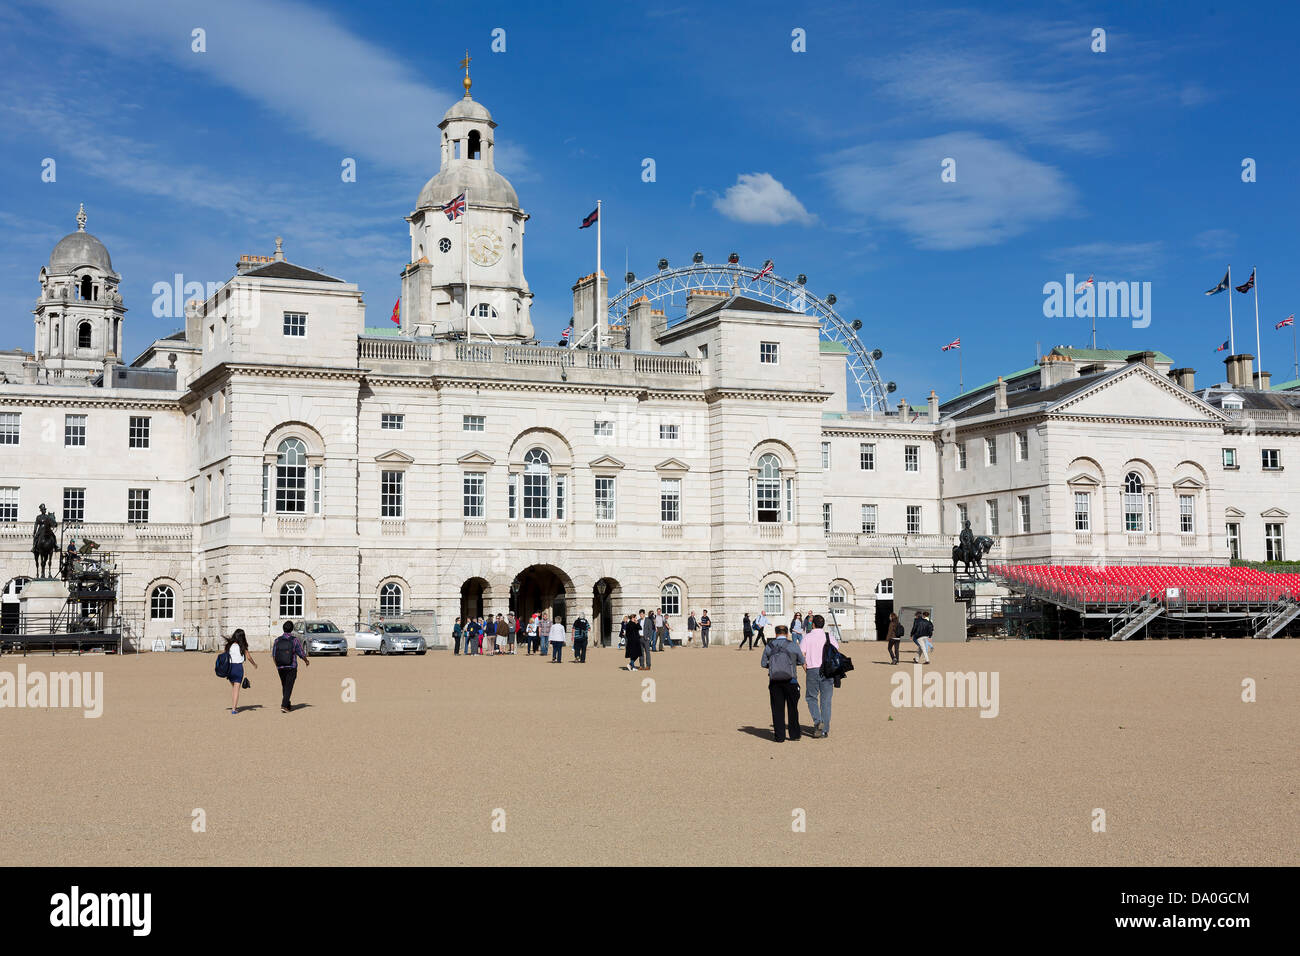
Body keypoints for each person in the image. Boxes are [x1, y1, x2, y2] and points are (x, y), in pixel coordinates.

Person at [760, 625, 805, 743]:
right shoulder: (793, 645)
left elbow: (763, 663)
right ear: (787, 634)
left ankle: (779, 736)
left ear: (775, 634)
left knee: (777, 709)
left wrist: (775, 667)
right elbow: (801, 660)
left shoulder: (769, 646)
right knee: (793, 708)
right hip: (791, 681)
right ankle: (794, 734)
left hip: (775, 681)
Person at [800, 614, 839, 739]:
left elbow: (802, 655)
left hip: (812, 669)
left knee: (811, 697)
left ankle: (818, 721)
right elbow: (836, 651)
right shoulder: (829, 636)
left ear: (813, 624)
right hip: (827, 670)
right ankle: (824, 730)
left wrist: (806, 668)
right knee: (826, 700)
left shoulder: (807, 637)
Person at [273, 620, 309, 714]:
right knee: (289, 686)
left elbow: (274, 655)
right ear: (292, 629)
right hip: (291, 666)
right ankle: (284, 705)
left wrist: (277, 665)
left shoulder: (277, 640)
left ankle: (287, 704)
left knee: (285, 685)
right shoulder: (294, 640)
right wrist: (306, 660)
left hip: (280, 667)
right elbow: (301, 652)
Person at [224, 628, 257, 715]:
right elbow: (249, 657)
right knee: (236, 689)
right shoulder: (242, 646)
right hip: (238, 668)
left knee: (234, 688)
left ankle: (234, 706)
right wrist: (254, 664)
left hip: (230, 668)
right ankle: (234, 709)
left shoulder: (229, 645)